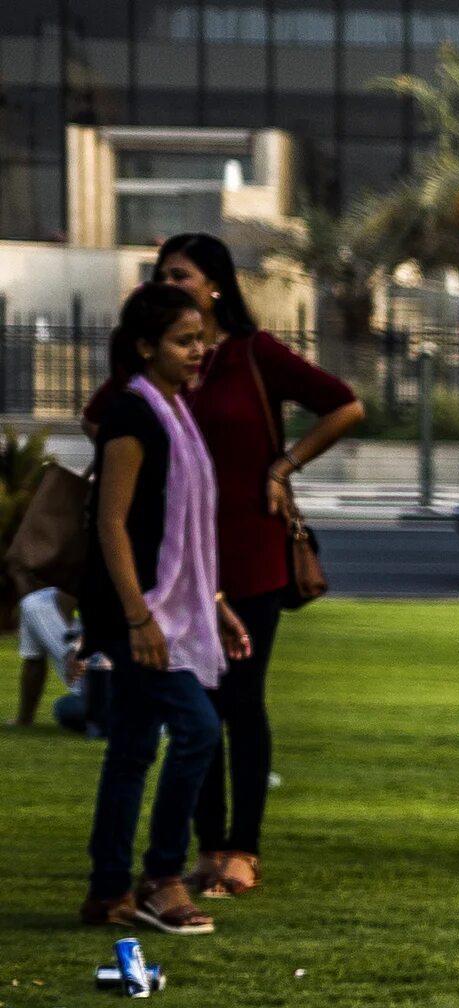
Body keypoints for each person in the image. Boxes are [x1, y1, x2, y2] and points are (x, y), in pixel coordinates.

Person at [83, 233, 363, 900]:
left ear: (215, 286)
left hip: (236, 562)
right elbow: (108, 466)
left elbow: (344, 404)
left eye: (182, 275)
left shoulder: (239, 361)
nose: (172, 284)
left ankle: (220, 853)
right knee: (189, 718)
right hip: (162, 582)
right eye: (162, 276)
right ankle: (178, 861)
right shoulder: (146, 392)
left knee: (229, 707)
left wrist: (283, 467)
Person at [78, 281, 251, 934]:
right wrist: (139, 618)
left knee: (130, 746)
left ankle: (107, 890)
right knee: (199, 729)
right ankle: (162, 877)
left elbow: (180, 536)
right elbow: (112, 523)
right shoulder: (133, 416)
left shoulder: (177, 414)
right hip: (139, 613)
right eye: (184, 341)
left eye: (201, 337)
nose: (199, 350)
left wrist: (214, 604)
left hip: (169, 609)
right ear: (145, 347)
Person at [14, 585, 89, 732]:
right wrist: (24, 718)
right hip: (87, 700)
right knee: (67, 709)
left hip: (125, 691)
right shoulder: (33, 606)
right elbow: (34, 663)